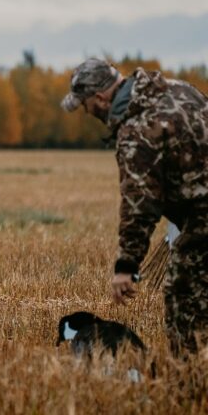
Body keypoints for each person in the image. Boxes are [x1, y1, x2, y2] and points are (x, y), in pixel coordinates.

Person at [61, 58, 208, 357]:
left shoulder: (136, 131)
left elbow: (140, 204)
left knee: (185, 304)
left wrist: (126, 266)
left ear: (100, 98)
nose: (87, 112)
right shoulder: (180, 89)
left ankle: (192, 386)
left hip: (203, 221)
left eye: (85, 105)